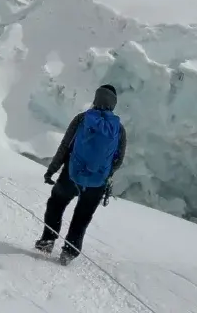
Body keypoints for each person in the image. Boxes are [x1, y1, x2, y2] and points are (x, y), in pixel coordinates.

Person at [35, 84, 127, 265]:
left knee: (57, 203)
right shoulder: (118, 129)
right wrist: (105, 173)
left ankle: (47, 240)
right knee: (82, 216)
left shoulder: (82, 119)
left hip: (72, 174)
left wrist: (52, 170)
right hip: (97, 182)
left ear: (96, 99)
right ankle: (69, 251)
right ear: (113, 103)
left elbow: (65, 146)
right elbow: (119, 159)